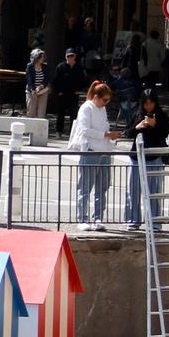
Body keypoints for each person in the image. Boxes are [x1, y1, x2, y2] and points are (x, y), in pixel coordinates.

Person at [67, 81, 119, 230]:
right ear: (96, 97)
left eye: (108, 100)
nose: (106, 103)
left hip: (104, 151)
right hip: (90, 150)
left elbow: (104, 127)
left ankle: (98, 218)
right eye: (104, 100)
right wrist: (106, 134)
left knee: (102, 187)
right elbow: (84, 130)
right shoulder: (86, 108)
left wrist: (109, 136)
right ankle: (82, 218)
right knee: (85, 186)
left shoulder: (101, 109)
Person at [124, 89, 169, 229]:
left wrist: (154, 125)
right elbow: (127, 132)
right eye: (146, 104)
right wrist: (137, 127)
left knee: (154, 191)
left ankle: (155, 222)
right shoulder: (137, 114)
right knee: (133, 190)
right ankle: (133, 220)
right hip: (136, 157)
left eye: (151, 103)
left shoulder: (162, 116)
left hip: (154, 156)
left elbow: (165, 133)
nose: (148, 106)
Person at [50, 48, 87, 124]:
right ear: (65, 57)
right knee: (60, 113)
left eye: (72, 56)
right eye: (68, 56)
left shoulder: (79, 68)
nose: (70, 58)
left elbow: (82, 80)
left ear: (75, 56)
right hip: (62, 93)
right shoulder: (60, 67)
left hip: (74, 94)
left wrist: (79, 90)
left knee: (73, 114)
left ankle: (72, 132)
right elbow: (55, 80)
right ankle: (59, 131)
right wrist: (58, 91)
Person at [24, 47, 51, 119]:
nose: (43, 58)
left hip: (42, 91)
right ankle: (29, 129)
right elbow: (29, 80)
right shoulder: (29, 66)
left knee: (41, 114)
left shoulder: (45, 66)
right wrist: (33, 91)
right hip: (31, 91)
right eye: (41, 57)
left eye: (43, 56)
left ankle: (39, 130)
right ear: (36, 57)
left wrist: (41, 86)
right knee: (31, 112)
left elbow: (47, 78)